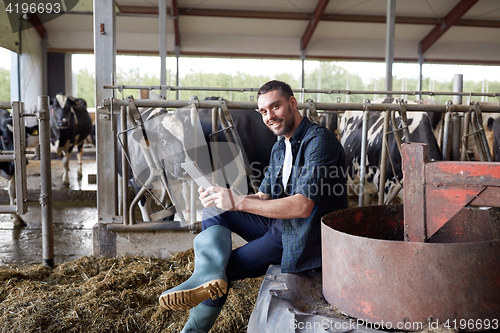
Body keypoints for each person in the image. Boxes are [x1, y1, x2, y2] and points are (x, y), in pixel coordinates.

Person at [158, 80, 348, 332]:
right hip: (281, 226)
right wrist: (224, 197)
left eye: (275, 107)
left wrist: (237, 201)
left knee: (221, 268)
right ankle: (206, 275)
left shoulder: (319, 141)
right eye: (263, 112)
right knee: (215, 210)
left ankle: (194, 325)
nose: (269, 116)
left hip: (302, 238)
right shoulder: (281, 145)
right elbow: (264, 197)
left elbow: (302, 206)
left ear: (292, 103)